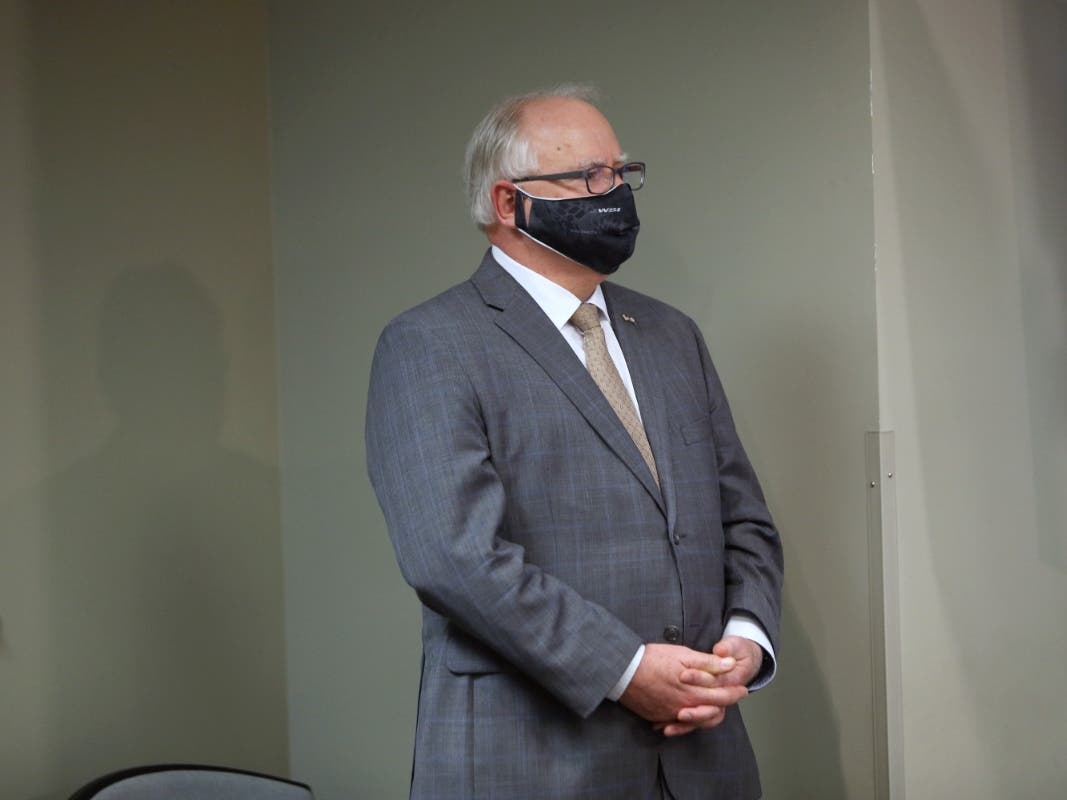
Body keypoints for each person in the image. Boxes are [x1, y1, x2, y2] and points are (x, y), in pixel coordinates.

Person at [366, 85, 783, 800]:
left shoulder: (672, 335)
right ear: (508, 203)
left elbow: (742, 519)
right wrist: (624, 669)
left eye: (621, 173)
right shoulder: (429, 344)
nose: (614, 194)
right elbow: (455, 556)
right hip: (531, 760)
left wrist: (746, 637)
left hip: (702, 757)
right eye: (589, 176)